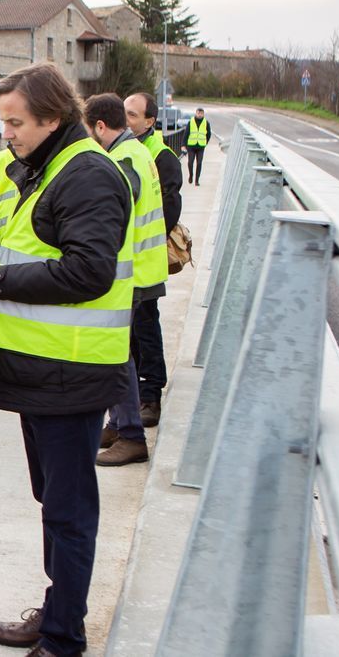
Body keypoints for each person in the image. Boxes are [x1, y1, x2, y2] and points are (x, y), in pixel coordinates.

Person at [0, 63, 133, 657]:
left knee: (68, 509)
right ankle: (58, 610)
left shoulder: (85, 174)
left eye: (15, 122)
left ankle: (64, 637)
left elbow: (88, 270)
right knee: (54, 501)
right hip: (45, 369)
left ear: (53, 118)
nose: (6, 132)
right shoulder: (48, 168)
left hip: (73, 372)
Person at [83, 93, 169, 468]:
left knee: (118, 354)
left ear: (101, 127)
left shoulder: (121, 160)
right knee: (123, 351)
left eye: (89, 131)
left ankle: (131, 434)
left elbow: (113, 214)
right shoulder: (136, 153)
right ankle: (118, 424)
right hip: (141, 268)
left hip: (131, 273)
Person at [122, 92, 183, 431]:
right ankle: (134, 398)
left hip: (144, 263)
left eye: (132, 115)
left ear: (149, 121)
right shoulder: (124, 150)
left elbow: (168, 213)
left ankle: (150, 397)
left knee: (146, 330)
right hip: (125, 264)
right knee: (129, 334)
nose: (126, 120)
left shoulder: (162, 156)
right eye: (124, 113)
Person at [182, 107, 211, 186]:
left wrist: (205, 142)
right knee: (190, 162)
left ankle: (197, 180)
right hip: (191, 146)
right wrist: (183, 145)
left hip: (201, 146)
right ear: (196, 113)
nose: (200, 114)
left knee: (199, 163)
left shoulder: (206, 123)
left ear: (203, 114)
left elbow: (209, 134)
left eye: (201, 113)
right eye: (198, 113)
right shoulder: (191, 122)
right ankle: (191, 175)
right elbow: (186, 134)